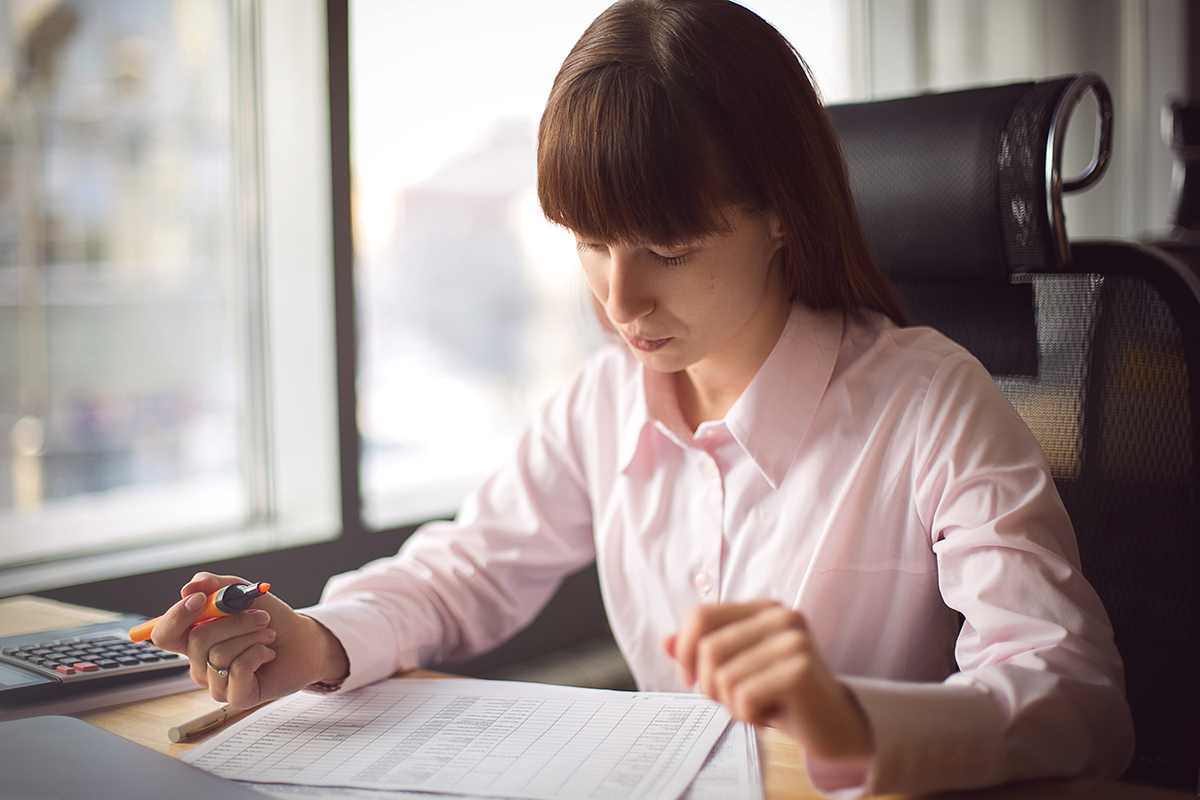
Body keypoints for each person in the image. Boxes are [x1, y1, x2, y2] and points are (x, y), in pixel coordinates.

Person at [149, 0, 1135, 795]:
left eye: (667, 248)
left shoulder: (933, 404)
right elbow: (465, 567)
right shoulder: (604, 404)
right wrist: (317, 638)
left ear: (782, 217)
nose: (619, 300)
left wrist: (849, 716)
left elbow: (1079, 695)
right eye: (588, 240)